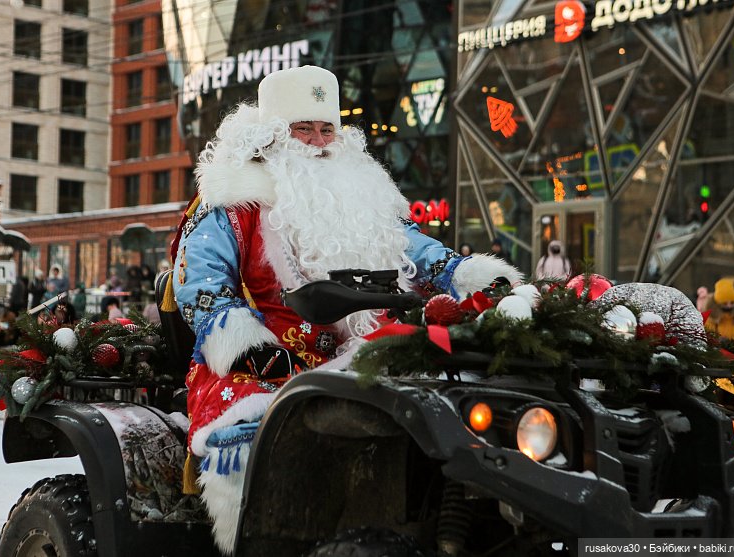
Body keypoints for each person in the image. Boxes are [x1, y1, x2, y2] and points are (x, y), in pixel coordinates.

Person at [171, 65, 521, 554]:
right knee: (250, 428)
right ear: (274, 136)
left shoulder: (364, 198)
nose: (317, 142)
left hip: (371, 349)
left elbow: (418, 252)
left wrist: (470, 278)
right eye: (303, 129)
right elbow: (201, 284)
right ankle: (264, 540)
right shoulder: (232, 202)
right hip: (271, 361)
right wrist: (246, 348)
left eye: (325, 129)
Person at [704, 278, 734, 348]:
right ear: (717, 304)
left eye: (732, 302)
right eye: (725, 303)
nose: (729, 306)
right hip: (718, 357)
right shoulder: (709, 320)